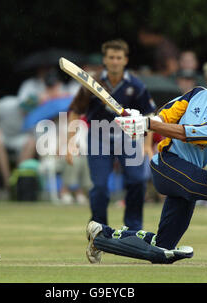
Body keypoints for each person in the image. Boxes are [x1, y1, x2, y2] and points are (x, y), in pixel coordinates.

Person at [86, 67, 207, 266]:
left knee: (162, 247)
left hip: (188, 175)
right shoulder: (199, 94)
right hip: (167, 164)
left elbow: (188, 133)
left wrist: (148, 124)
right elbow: (168, 114)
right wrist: (145, 122)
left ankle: (101, 237)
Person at [67, 39, 156, 230]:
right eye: (111, 58)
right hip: (99, 136)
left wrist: (147, 145)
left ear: (125, 60)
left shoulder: (136, 85)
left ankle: (133, 229)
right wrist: (70, 142)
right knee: (99, 186)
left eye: (118, 58)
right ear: (105, 60)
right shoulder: (92, 83)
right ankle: (99, 230)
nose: (115, 61)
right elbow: (75, 110)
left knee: (138, 180)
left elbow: (149, 115)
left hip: (128, 137)